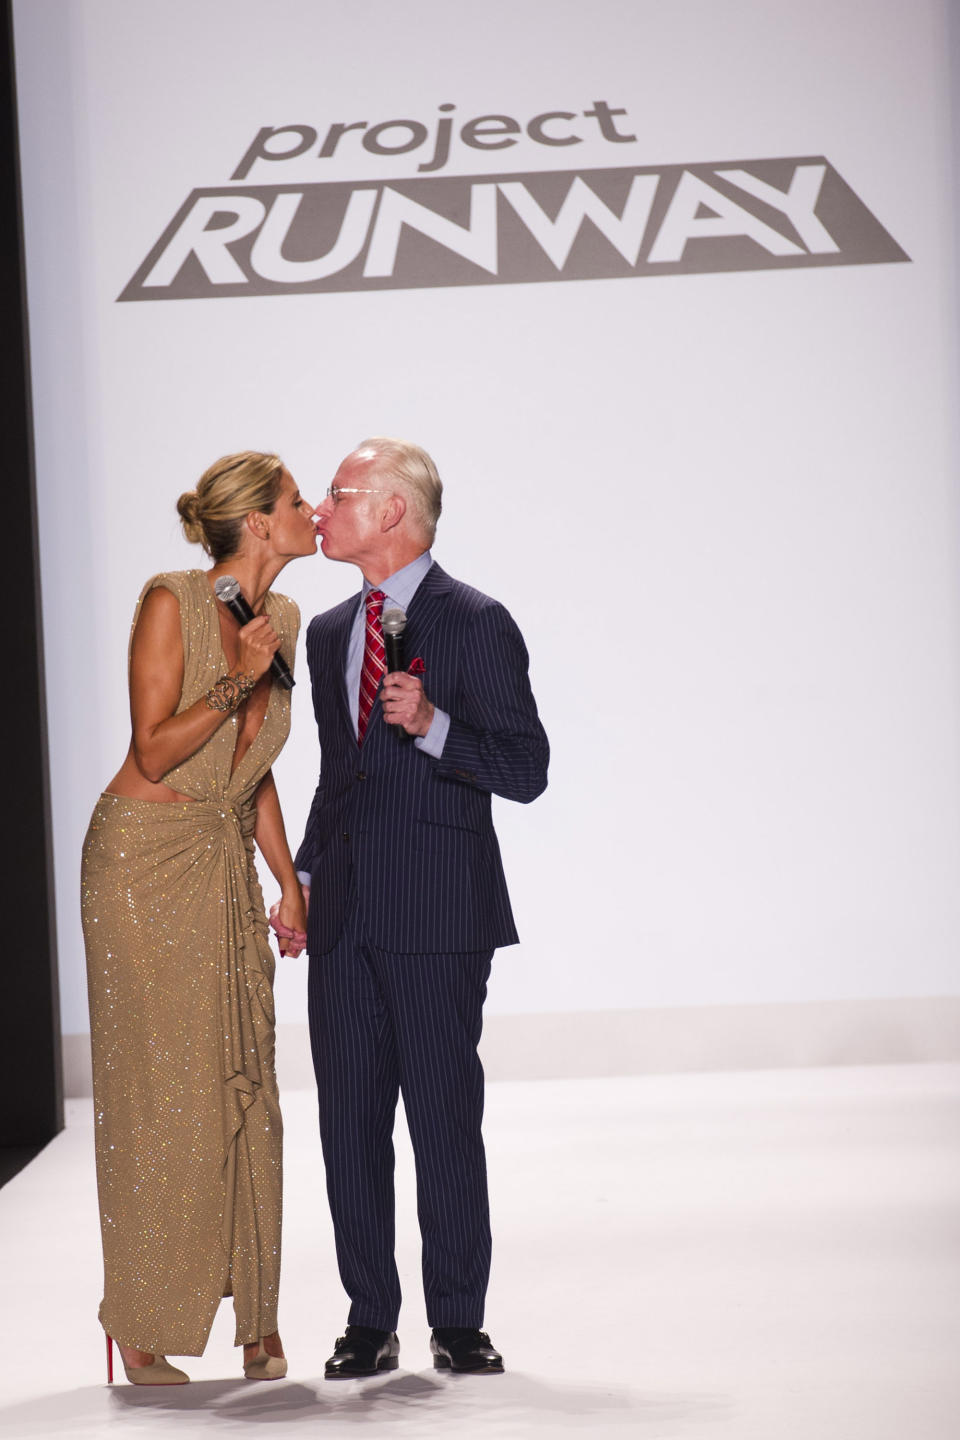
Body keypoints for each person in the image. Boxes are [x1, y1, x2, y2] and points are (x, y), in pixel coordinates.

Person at [291, 437, 549, 1378]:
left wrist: (432, 724)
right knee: (348, 1121)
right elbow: (337, 778)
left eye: (338, 493)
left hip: (439, 914)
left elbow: (526, 768)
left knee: (442, 1117)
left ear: (393, 509)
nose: (320, 509)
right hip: (347, 917)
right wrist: (304, 883)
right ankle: (369, 1315)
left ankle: (459, 1319)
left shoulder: (474, 621)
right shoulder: (327, 634)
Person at [81, 451, 317, 1385]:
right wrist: (236, 677)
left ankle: (256, 1318)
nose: (310, 515)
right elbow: (154, 745)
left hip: (219, 859)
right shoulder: (171, 601)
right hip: (142, 865)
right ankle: (139, 1323)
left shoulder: (284, 618)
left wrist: (287, 881)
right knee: (161, 1099)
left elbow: (250, 767)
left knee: (244, 1084)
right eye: (297, 502)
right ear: (257, 522)